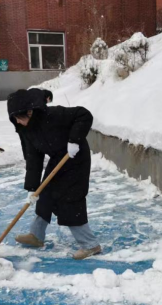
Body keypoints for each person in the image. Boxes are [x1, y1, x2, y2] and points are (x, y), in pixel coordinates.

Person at [7, 88, 101, 260]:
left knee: (70, 200)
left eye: (19, 117)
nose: (18, 122)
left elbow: (83, 114)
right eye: (14, 119)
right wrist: (32, 187)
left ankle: (90, 245)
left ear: (29, 112)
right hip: (58, 158)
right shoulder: (26, 130)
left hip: (75, 156)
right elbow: (33, 159)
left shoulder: (53, 115)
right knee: (44, 194)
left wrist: (74, 140)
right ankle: (36, 236)